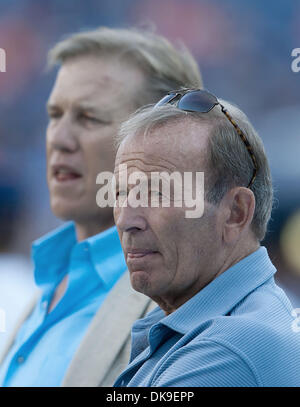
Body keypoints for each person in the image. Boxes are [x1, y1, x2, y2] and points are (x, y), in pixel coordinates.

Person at [0, 29, 203, 387]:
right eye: (54, 114)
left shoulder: (184, 306)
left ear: (165, 140)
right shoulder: (50, 281)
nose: (58, 139)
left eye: (89, 118)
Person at [112, 89, 300, 387]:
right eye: (121, 193)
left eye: (157, 193)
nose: (125, 220)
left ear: (235, 213)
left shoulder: (231, 350)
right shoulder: (223, 327)